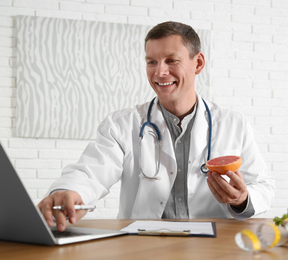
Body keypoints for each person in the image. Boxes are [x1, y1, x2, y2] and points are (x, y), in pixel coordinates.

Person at [38, 21, 274, 232]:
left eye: (172, 60)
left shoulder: (234, 124)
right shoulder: (122, 124)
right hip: (143, 245)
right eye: (152, 62)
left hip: (215, 245)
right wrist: (71, 192)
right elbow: (91, 172)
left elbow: (262, 186)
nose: (159, 72)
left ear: (198, 63)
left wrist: (242, 199)